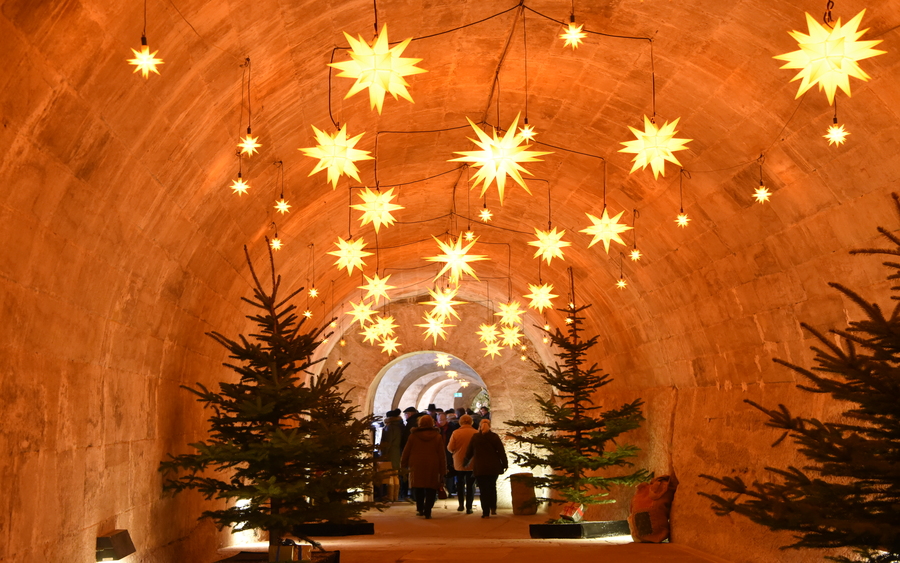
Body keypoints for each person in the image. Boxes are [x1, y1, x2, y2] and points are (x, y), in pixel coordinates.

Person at [400, 414, 446, 519]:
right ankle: (428, 510)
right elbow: (441, 454)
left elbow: (406, 452)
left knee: (418, 487)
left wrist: (403, 465)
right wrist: (443, 469)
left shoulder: (413, 436)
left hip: (416, 464)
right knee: (431, 488)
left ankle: (420, 509)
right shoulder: (437, 436)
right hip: (432, 464)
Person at [465, 418, 507, 518]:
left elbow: (469, 452)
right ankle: (493, 507)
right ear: (490, 426)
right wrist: (505, 464)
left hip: (480, 467)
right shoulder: (494, 437)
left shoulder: (475, 437)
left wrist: (465, 462)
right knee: (492, 487)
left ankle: (485, 511)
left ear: (479, 426)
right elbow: (501, 451)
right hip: (493, 467)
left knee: (483, 490)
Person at [446, 414, 478, 514]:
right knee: (471, 485)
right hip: (472, 461)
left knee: (460, 484)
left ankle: (461, 505)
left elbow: (450, 448)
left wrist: (456, 452)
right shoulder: (476, 432)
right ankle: (469, 507)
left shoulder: (456, 433)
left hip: (459, 461)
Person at [377, 408, 403, 502]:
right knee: (395, 475)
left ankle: (390, 496)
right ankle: (395, 496)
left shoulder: (390, 427)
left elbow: (387, 442)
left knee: (390, 475)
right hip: (396, 453)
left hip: (390, 453)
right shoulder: (399, 426)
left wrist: (383, 453)